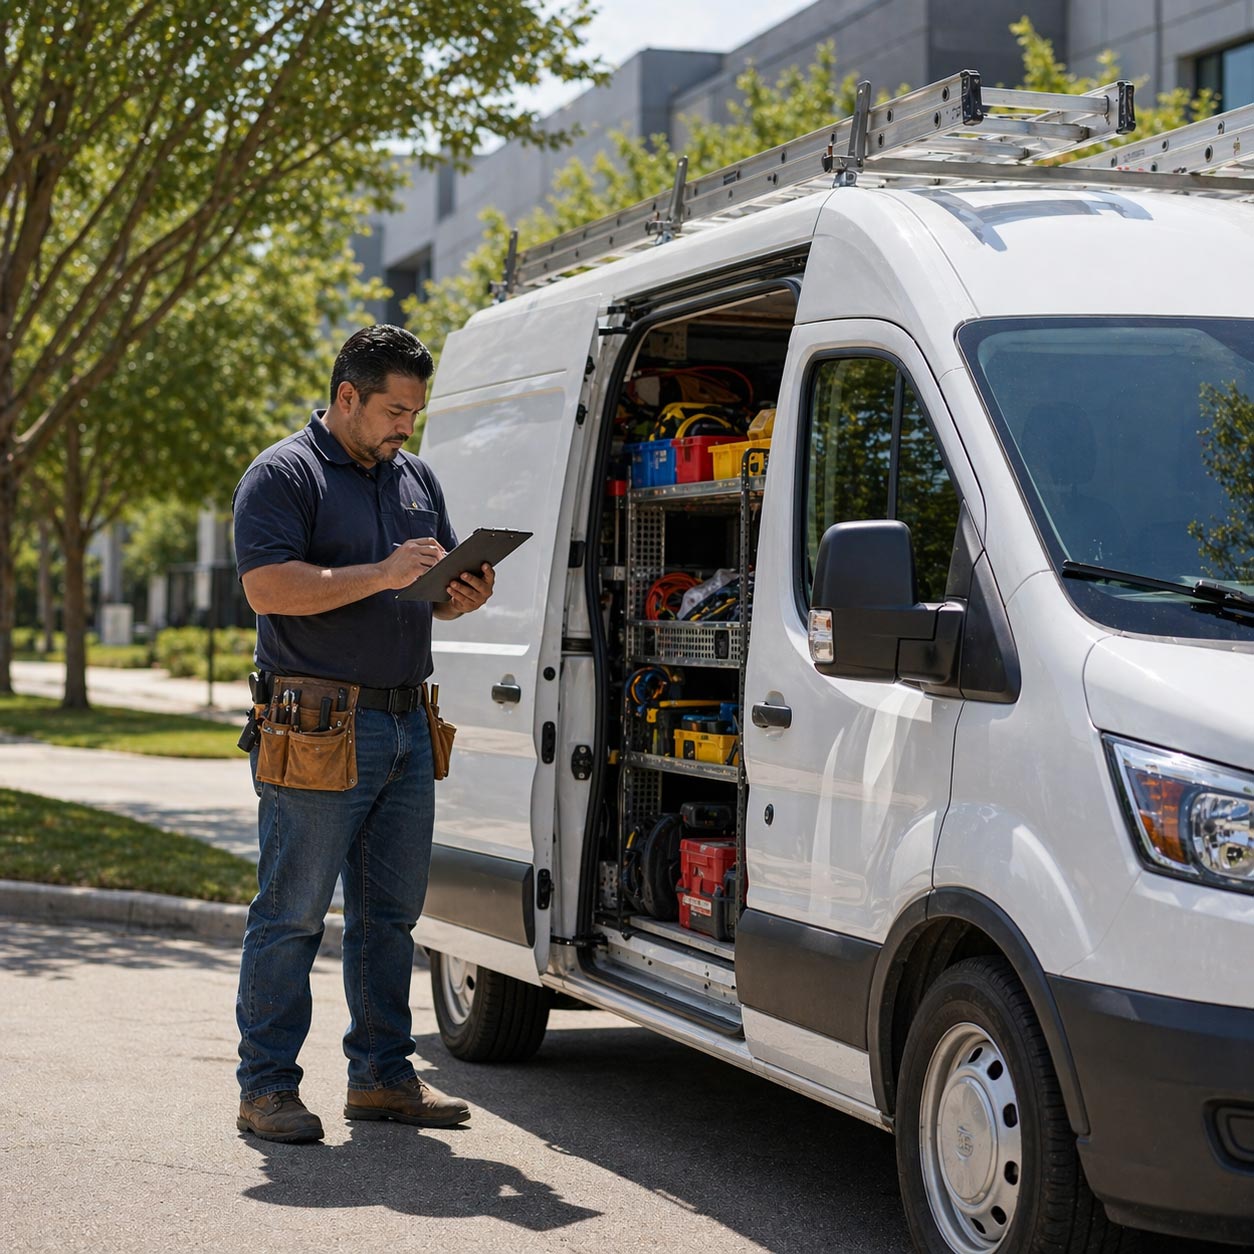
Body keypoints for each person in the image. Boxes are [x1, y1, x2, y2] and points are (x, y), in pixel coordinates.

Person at [231, 324, 493, 1144]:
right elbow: (268, 588)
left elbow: (429, 589)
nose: (404, 427)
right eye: (392, 409)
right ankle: (266, 1088)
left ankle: (381, 1077)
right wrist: (381, 572)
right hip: (315, 726)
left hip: (408, 722)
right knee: (293, 914)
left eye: (413, 412)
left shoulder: (416, 477)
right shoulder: (283, 474)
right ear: (347, 396)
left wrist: (459, 594)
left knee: (390, 918)